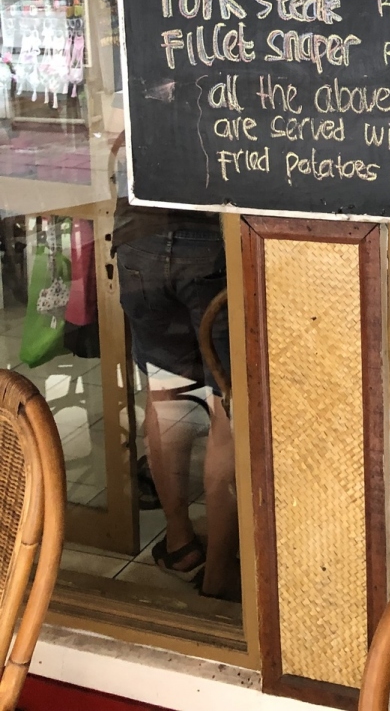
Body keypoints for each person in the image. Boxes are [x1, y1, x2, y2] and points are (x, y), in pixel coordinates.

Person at [113, 200, 239, 602]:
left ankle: (181, 542)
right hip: (216, 239)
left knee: (166, 391)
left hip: (139, 235)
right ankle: (219, 572)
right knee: (228, 407)